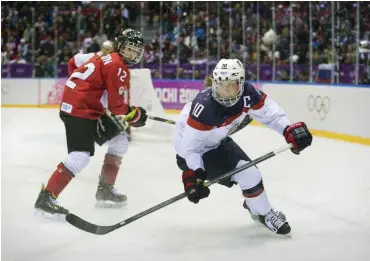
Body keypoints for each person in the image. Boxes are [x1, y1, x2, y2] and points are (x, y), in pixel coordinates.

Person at [174, 59, 312, 235]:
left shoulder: (248, 94)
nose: (224, 91)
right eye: (221, 85)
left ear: (240, 83)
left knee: (250, 175)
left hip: (217, 141)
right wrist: (195, 174)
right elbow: (190, 149)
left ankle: (255, 204)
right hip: (193, 152)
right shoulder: (205, 107)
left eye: (230, 85)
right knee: (250, 174)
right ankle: (264, 213)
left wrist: (288, 130)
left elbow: (271, 115)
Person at [34, 29, 147, 217]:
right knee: (80, 156)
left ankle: (105, 190)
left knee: (119, 141)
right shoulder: (118, 66)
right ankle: (47, 197)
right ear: (119, 46)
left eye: (135, 51)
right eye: (128, 49)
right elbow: (118, 107)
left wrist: (83, 88)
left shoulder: (102, 56)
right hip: (81, 108)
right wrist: (135, 115)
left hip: (86, 105)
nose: (132, 54)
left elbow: (73, 63)